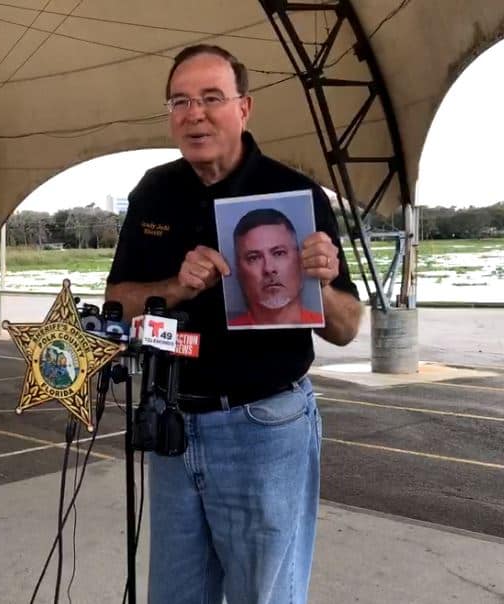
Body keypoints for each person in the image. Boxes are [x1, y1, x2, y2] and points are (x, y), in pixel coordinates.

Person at [105, 44, 361, 604]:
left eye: (211, 98)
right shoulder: (154, 190)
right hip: (171, 423)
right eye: (180, 101)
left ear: (244, 108)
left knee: (263, 595)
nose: (194, 114)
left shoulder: (296, 193)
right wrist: (174, 287)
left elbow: (346, 328)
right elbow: (116, 305)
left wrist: (318, 279)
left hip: (263, 426)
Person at [229, 207, 324, 327]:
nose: (268, 268)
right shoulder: (226, 327)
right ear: (239, 270)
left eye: (279, 253)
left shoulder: (322, 322)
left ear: (300, 260)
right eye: (253, 258)